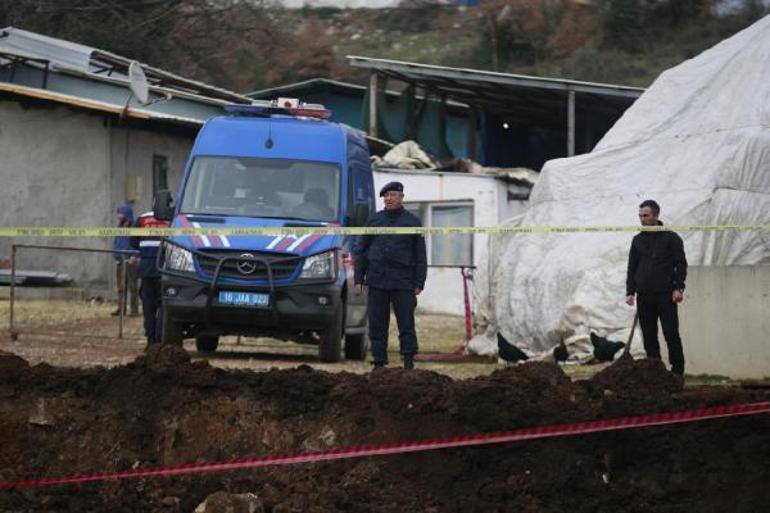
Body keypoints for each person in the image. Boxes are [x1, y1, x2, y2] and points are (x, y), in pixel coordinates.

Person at [353, 181, 427, 370]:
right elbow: (361, 250)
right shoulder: (374, 220)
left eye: (393, 195)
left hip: (403, 281)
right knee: (377, 324)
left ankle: (408, 361)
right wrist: (358, 278)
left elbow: (420, 255)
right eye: (386, 196)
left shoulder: (412, 222)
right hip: (377, 280)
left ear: (401, 197)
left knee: (406, 324)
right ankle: (379, 362)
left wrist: (419, 282)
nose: (389, 199)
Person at [626, 199, 688, 375]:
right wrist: (630, 292)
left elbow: (681, 264)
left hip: (666, 295)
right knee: (649, 337)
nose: (642, 219)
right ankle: (656, 373)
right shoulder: (637, 240)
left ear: (656, 215)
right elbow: (632, 267)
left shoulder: (671, 238)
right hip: (644, 296)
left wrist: (679, 288)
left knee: (671, 334)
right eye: (640, 216)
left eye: (645, 215)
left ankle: (677, 371)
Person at [131, 208, 170, 348]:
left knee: (148, 307)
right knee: (163, 306)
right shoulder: (171, 219)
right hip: (164, 268)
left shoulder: (142, 219)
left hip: (146, 269)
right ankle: (159, 341)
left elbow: (133, 243)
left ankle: (150, 339)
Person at [112, 204, 138, 317]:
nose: (118, 216)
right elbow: (116, 243)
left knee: (133, 286)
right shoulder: (119, 228)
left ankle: (134, 310)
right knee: (121, 287)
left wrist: (133, 256)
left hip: (130, 260)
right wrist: (116, 256)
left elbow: (136, 244)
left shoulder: (134, 228)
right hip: (120, 261)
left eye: (120, 213)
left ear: (126, 214)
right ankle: (121, 309)